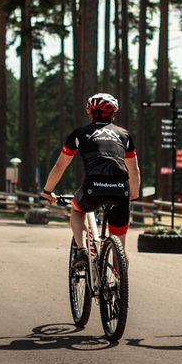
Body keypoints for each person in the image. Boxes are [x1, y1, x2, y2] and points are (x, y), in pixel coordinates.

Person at [41, 93, 141, 268]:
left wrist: (47, 192)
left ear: (89, 112)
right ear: (113, 113)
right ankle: (118, 286)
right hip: (120, 189)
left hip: (93, 188)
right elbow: (134, 170)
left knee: (77, 209)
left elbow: (59, 166)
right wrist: (133, 195)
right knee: (120, 245)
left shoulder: (79, 134)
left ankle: (81, 250)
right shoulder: (124, 135)